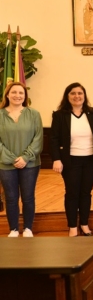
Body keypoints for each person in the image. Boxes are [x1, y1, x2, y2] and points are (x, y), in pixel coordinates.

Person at [50, 83, 93, 237]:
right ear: (67, 96)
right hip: (70, 161)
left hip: (90, 159)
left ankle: (84, 224)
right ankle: (72, 227)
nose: (77, 96)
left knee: (86, 193)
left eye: (80, 93)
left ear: (84, 95)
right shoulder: (60, 115)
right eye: (73, 93)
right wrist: (56, 159)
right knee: (72, 193)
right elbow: (54, 139)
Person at [0, 82, 43, 237]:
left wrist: (25, 157)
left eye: (21, 93)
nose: (17, 95)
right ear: (7, 94)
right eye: (14, 92)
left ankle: (28, 228)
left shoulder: (34, 114)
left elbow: (38, 138)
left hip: (30, 164)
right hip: (5, 165)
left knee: (28, 196)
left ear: (25, 96)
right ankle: (13, 229)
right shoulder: (0, 115)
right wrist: (12, 159)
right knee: (10, 197)